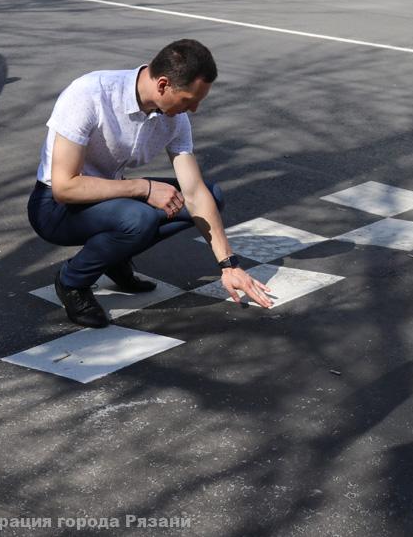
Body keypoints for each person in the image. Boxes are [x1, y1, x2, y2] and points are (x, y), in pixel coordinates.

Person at [28, 39, 272, 328]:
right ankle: (72, 282)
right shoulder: (90, 93)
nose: (193, 109)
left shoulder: (174, 117)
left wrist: (229, 265)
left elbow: (194, 191)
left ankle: (114, 256)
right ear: (163, 84)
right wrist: (143, 188)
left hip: (108, 197)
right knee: (139, 218)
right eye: (189, 100)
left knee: (210, 196)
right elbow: (64, 187)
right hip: (55, 208)